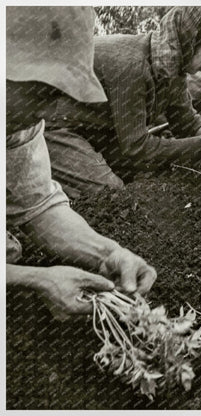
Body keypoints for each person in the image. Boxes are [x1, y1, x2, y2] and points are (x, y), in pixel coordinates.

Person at [6, 6, 157, 321]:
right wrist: (34, 279)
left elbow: (39, 205)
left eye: (54, 95)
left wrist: (108, 252)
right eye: (37, 92)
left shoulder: (19, 122)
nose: (46, 112)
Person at [7, 6, 201, 198]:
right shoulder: (132, 66)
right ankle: (58, 181)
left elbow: (186, 122)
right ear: (190, 40)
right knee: (111, 194)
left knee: (153, 170)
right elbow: (136, 147)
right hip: (59, 129)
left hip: (98, 131)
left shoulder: (172, 66)